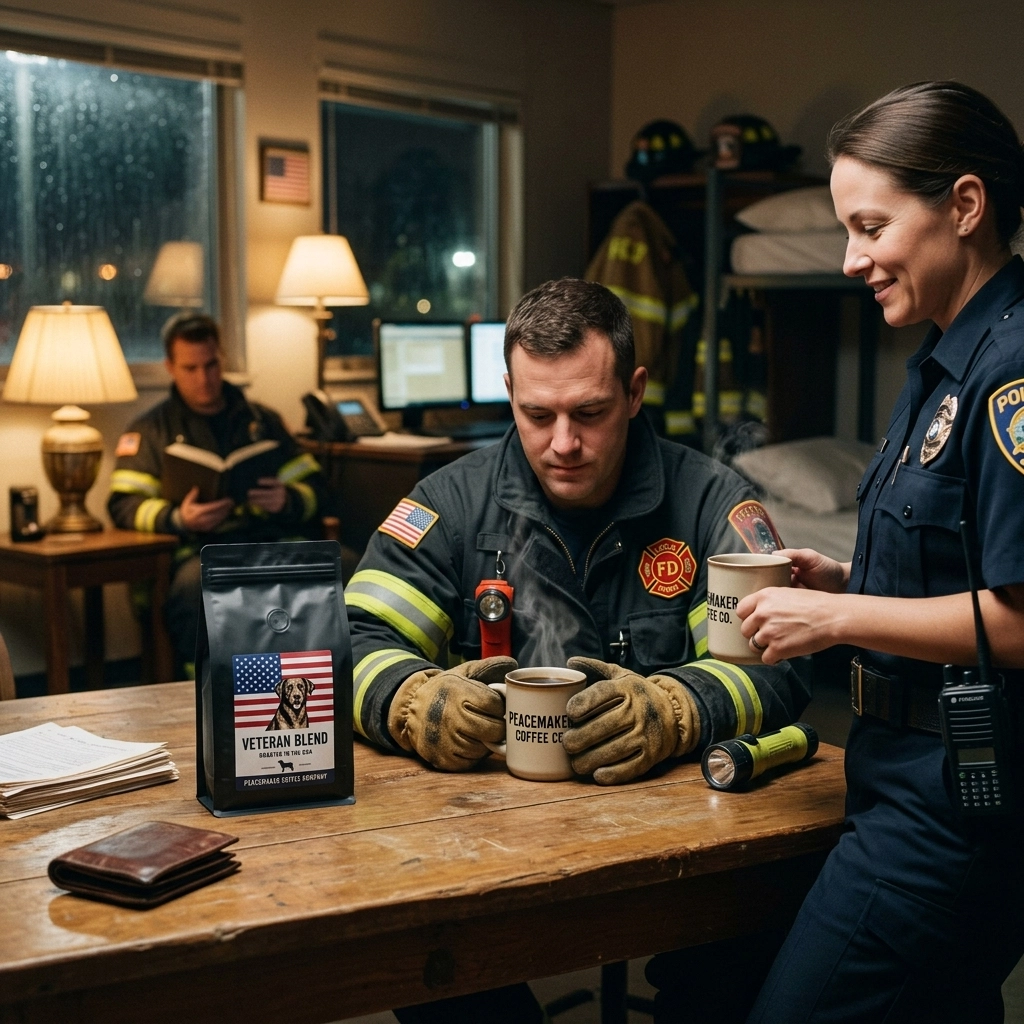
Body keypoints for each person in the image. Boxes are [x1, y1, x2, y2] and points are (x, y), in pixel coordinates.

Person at [344, 277, 812, 1023]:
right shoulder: (447, 506)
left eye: (590, 413)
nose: (564, 443)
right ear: (508, 392)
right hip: (480, 850)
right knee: (432, 969)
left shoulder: (711, 503)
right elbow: (356, 640)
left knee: (741, 966)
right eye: (537, 414)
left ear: (633, 391)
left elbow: (774, 662)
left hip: (677, 851)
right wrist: (408, 697)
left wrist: (678, 708)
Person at [729, 82, 1024, 1024]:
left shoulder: (1012, 374)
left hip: (955, 802)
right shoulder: (943, 361)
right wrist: (851, 580)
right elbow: (971, 572)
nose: (852, 259)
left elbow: (1022, 623)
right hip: (896, 769)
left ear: (965, 206)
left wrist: (837, 617)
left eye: (869, 226)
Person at [108, 312, 327, 676]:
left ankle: (321, 684)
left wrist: (288, 499)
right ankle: (207, 693)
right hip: (200, 552)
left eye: (211, 365)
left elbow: (318, 488)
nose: (204, 379)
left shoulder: (264, 421)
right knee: (196, 587)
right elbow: (123, 505)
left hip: (272, 543)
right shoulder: (149, 431)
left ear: (221, 358)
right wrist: (178, 518)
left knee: (343, 565)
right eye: (190, 368)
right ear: (170, 367)